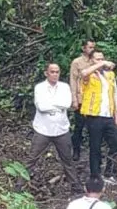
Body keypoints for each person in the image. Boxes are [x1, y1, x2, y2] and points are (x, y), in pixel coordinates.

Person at [25, 63, 80, 193]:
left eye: (57, 72)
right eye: (52, 72)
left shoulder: (64, 87)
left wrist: (51, 103)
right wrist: (58, 105)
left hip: (61, 129)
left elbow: (67, 104)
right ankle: (19, 184)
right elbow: (41, 107)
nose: (55, 74)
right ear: (46, 73)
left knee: (67, 159)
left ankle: (75, 186)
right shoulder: (40, 87)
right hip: (43, 129)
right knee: (32, 158)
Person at [78, 50, 117, 178]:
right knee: (95, 146)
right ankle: (95, 174)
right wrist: (100, 64)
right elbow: (84, 73)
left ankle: (109, 172)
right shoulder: (89, 75)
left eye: (102, 58)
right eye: (97, 59)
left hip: (108, 116)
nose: (101, 61)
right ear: (91, 61)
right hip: (94, 115)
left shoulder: (110, 75)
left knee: (115, 144)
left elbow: (114, 96)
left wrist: (116, 117)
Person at [69, 39, 97, 161]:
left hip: (94, 100)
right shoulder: (77, 62)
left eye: (93, 47)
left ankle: (94, 152)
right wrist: (74, 99)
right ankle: (76, 150)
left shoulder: (96, 61)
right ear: (84, 48)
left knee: (94, 127)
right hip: (81, 99)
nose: (92, 50)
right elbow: (73, 81)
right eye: (90, 47)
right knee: (79, 127)